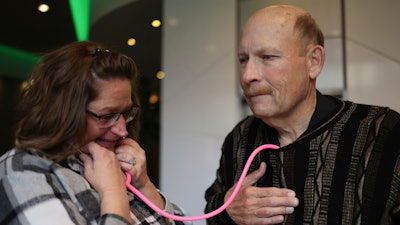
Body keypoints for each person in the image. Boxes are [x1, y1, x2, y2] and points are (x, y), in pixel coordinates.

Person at [204, 4, 400, 225]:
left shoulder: (384, 132)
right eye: (243, 60)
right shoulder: (239, 138)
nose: (248, 75)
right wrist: (228, 211)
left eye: (267, 57)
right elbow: (212, 210)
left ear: (313, 62)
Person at [0, 41, 189, 225]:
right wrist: (114, 194)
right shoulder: (23, 172)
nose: (123, 131)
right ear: (61, 113)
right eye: (107, 116)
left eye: (126, 113)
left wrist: (145, 185)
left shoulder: (112, 161)